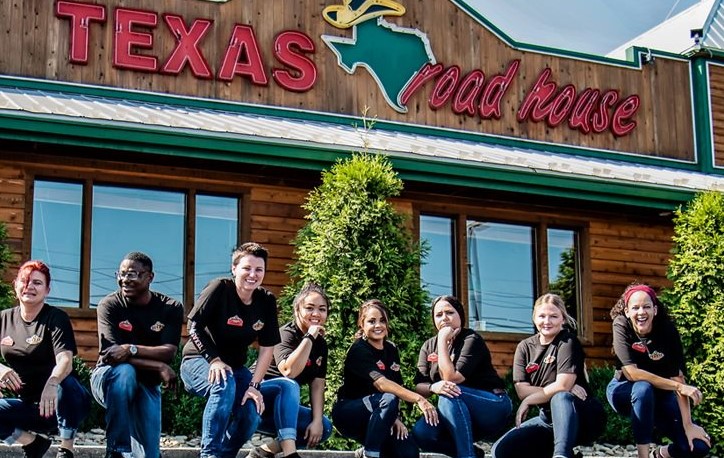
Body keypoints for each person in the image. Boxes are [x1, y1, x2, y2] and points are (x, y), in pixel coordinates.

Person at [180, 242, 280, 458]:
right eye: (246, 268)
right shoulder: (219, 288)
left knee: (251, 413)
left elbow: (267, 347)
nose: (252, 274)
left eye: (259, 269)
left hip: (235, 368)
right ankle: (210, 455)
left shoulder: (266, 301)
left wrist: (254, 385)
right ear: (234, 269)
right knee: (223, 384)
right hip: (197, 361)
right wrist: (214, 359)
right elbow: (193, 326)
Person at [90, 252, 183, 458]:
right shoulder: (110, 305)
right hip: (108, 378)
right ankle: (116, 449)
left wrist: (130, 348)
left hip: (147, 384)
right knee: (124, 372)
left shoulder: (170, 308)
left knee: (149, 454)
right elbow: (111, 356)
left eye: (132, 274)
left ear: (150, 277)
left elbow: (168, 351)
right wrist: (158, 366)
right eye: (121, 274)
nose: (124, 279)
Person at [492, 293, 605, 458]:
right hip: (547, 419)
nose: (547, 321)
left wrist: (532, 398)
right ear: (534, 318)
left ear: (563, 320)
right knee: (500, 451)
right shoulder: (524, 347)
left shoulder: (568, 341)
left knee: (561, 397)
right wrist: (558, 387)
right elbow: (522, 391)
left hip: (581, 416)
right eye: (542, 316)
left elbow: (562, 387)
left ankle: (561, 455)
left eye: (553, 316)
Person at [606, 284, 711, 458]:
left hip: (660, 395)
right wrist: (677, 388)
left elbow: (677, 377)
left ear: (655, 310)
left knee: (698, 447)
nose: (641, 312)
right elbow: (632, 372)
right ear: (626, 311)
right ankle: (643, 456)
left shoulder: (667, 329)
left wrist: (688, 424)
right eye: (635, 307)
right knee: (643, 387)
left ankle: (660, 454)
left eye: (646, 306)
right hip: (624, 389)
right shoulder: (621, 324)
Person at [0, 260, 91, 458]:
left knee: (65, 383)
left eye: (37, 283)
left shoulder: (55, 318)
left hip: (64, 402)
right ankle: (32, 443)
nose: (29, 286)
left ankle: (66, 448)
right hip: (29, 406)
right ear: (15, 285)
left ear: (47, 290)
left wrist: (52, 382)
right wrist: (0, 369)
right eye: (24, 281)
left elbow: (65, 360)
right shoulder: (3, 318)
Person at [332, 299, 439, 458]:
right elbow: (382, 385)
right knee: (388, 398)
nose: (378, 325)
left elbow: (396, 386)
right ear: (362, 324)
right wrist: (419, 399)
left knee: (408, 451)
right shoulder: (358, 350)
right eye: (371, 321)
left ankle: (368, 449)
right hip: (349, 414)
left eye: (382, 320)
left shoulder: (391, 349)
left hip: (379, 411)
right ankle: (370, 454)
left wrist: (393, 417)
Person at [411, 295, 512, 458]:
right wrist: (433, 387)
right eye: (438, 315)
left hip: (492, 405)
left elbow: (451, 378)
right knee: (422, 432)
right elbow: (419, 387)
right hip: (456, 410)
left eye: (449, 312)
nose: (444, 318)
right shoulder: (428, 345)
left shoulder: (471, 339)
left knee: (448, 393)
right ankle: (473, 453)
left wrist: (442, 340)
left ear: (460, 316)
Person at [246, 283, 333, 458]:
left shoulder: (321, 344)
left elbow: (317, 385)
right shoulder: (285, 334)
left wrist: (316, 421)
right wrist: (309, 336)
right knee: (289, 384)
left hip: (282, 410)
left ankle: (262, 453)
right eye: (309, 308)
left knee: (324, 427)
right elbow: (288, 371)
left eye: (322, 309)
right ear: (297, 310)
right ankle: (290, 454)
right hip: (255, 403)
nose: (316, 314)